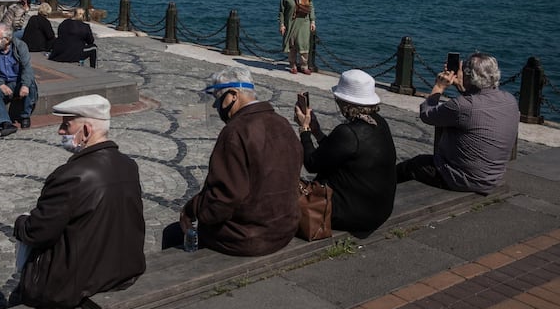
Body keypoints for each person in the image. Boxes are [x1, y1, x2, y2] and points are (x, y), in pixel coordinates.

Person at [11, 94, 145, 309]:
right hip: (124, 270)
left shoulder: (70, 176)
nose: (60, 131)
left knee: (18, 297)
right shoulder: (129, 165)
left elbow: (38, 232)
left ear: (86, 131)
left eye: (66, 125)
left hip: (78, 282)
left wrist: (20, 223)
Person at [179, 67, 302, 256]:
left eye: (218, 99)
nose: (216, 107)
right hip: (285, 229)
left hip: (250, 238)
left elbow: (224, 197)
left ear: (233, 95)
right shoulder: (282, 123)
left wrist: (192, 209)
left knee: (175, 232)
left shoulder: (235, 132)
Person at [396, 52, 519, 195]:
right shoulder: (509, 100)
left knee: (413, 165)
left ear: (468, 75)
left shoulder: (462, 106)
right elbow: (475, 106)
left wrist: (439, 87)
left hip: (463, 178)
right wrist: (463, 87)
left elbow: (427, 114)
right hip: (492, 177)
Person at [294, 69, 397, 233]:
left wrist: (304, 129)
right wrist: (317, 132)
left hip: (353, 214)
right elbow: (336, 152)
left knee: (289, 188)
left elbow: (312, 164)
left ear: (344, 102)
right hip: (380, 210)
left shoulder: (348, 132)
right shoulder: (379, 123)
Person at [0, 23, 38, 136]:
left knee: (31, 84)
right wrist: (0, 85)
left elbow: (27, 68)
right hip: (3, 82)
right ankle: (5, 123)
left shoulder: (20, 46)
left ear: (7, 39)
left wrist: (25, 85)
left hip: (18, 82)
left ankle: (25, 116)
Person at [279, 0, 316, 74]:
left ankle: (304, 66)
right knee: (292, 46)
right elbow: (281, 11)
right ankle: (293, 65)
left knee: (304, 45)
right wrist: (282, 24)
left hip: (304, 22)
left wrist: (312, 21)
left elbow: (311, 7)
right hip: (291, 23)